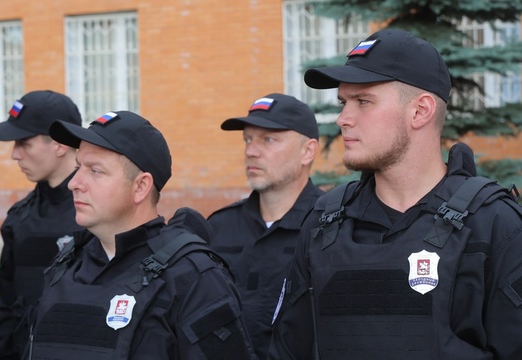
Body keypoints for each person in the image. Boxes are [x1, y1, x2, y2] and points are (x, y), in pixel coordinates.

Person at [269, 28, 522, 360]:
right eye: (344, 103)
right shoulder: (322, 224)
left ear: (420, 111)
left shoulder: (496, 225)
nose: (343, 119)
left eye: (363, 101)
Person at [26, 110, 257, 359]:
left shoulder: (195, 279)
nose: (74, 183)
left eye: (95, 170)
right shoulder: (65, 266)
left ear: (141, 187)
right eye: (78, 167)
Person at [208, 93, 324, 359]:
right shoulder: (219, 227)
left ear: (307, 151)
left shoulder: (328, 226)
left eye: (268, 139)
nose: (251, 151)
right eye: (247, 140)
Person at [0, 90, 83, 360]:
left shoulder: (99, 216)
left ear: (60, 144)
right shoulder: (19, 218)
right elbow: (9, 308)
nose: (15, 155)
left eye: (24, 143)